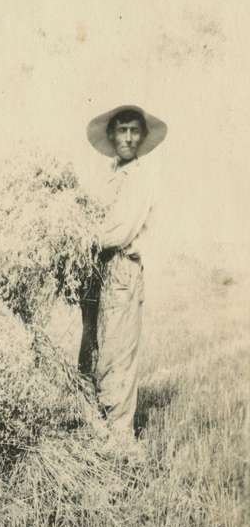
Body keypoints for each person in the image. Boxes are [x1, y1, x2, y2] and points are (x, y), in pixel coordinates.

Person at [78, 105, 167, 433]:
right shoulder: (109, 176)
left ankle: (119, 441)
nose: (127, 137)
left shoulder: (140, 179)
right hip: (96, 271)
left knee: (117, 357)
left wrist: (79, 237)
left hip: (121, 270)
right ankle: (95, 430)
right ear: (112, 134)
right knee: (92, 350)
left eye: (133, 131)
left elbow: (118, 231)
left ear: (142, 136)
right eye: (122, 130)